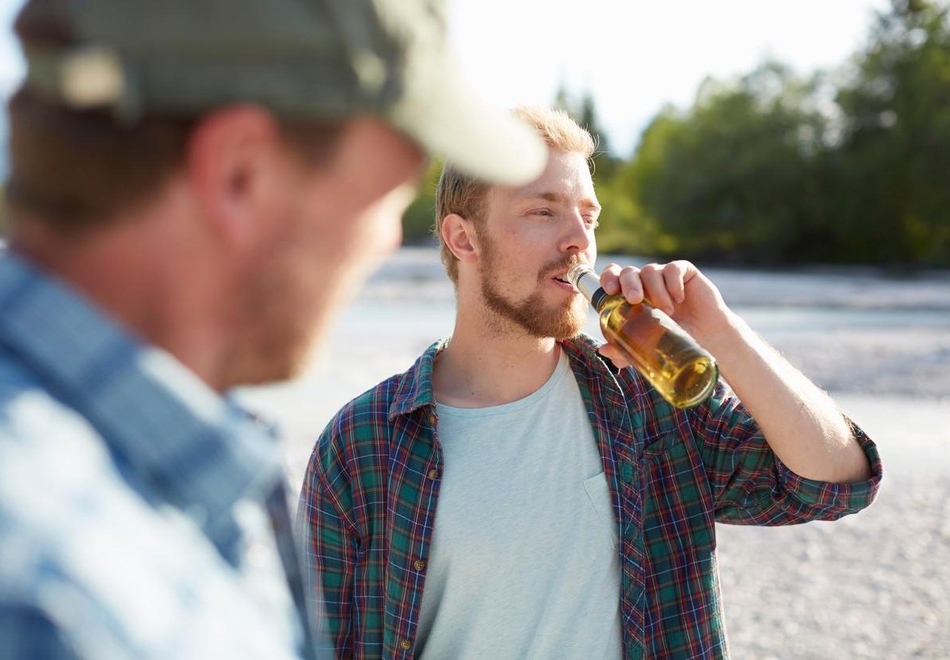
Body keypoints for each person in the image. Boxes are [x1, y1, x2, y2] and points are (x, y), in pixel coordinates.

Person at [0, 0, 548, 657]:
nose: (386, 239)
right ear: (240, 175)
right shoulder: (43, 604)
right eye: (387, 194)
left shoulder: (142, 491)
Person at [300, 106, 883, 659]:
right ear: (464, 238)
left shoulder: (649, 398)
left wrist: (720, 331)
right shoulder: (364, 444)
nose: (579, 237)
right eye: (543, 211)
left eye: (588, 214)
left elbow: (834, 482)